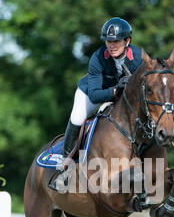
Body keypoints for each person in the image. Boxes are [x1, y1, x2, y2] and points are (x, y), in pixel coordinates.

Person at [52, 17, 143, 185]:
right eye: (108, 41)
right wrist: (115, 90)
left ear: (127, 41)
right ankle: (65, 166)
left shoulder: (138, 58)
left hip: (122, 98)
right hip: (91, 92)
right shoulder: (98, 57)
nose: (112, 45)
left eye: (116, 41)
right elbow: (94, 95)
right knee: (78, 117)